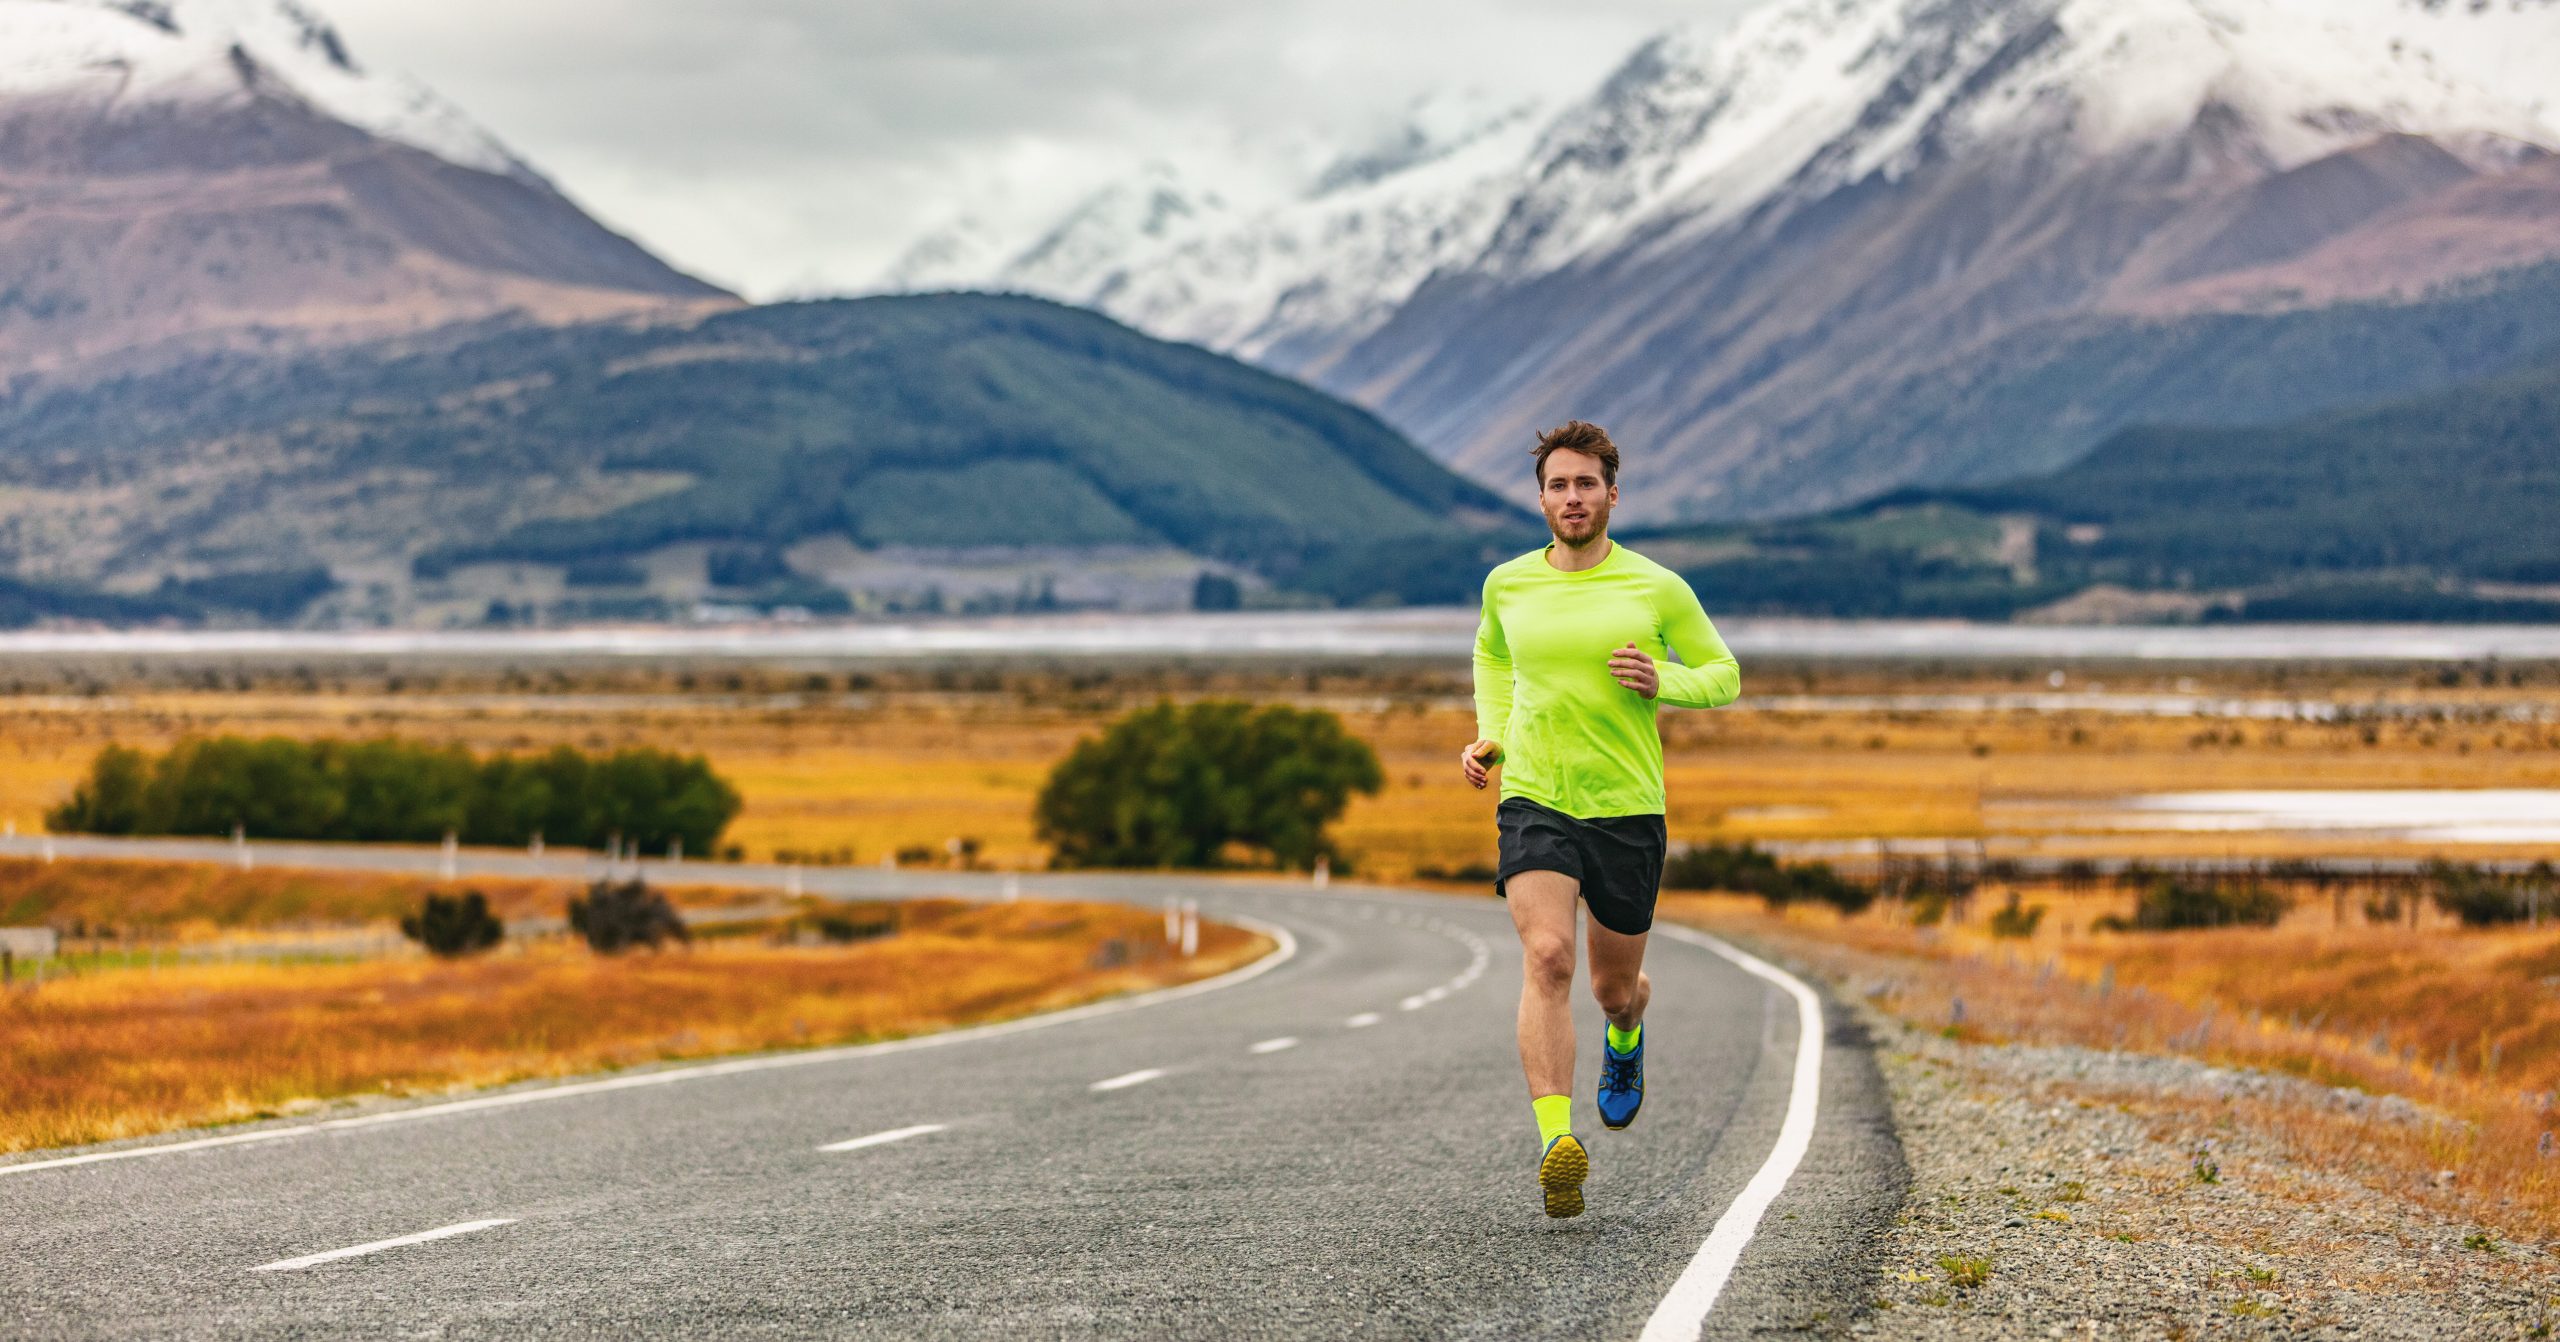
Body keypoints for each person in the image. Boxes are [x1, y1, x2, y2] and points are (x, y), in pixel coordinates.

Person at [1460, 420, 1740, 1219]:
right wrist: (1494, 735)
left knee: (1612, 986)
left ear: (1612, 495)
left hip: (1626, 808)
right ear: (1541, 497)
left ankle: (1627, 1032)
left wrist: (1665, 681)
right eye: (1558, 485)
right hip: (1537, 796)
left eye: (1586, 484)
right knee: (1547, 956)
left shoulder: (1656, 587)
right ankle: (1558, 1143)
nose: (1572, 498)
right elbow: (1494, 657)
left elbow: (1725, 675)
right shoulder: (1507, 583)